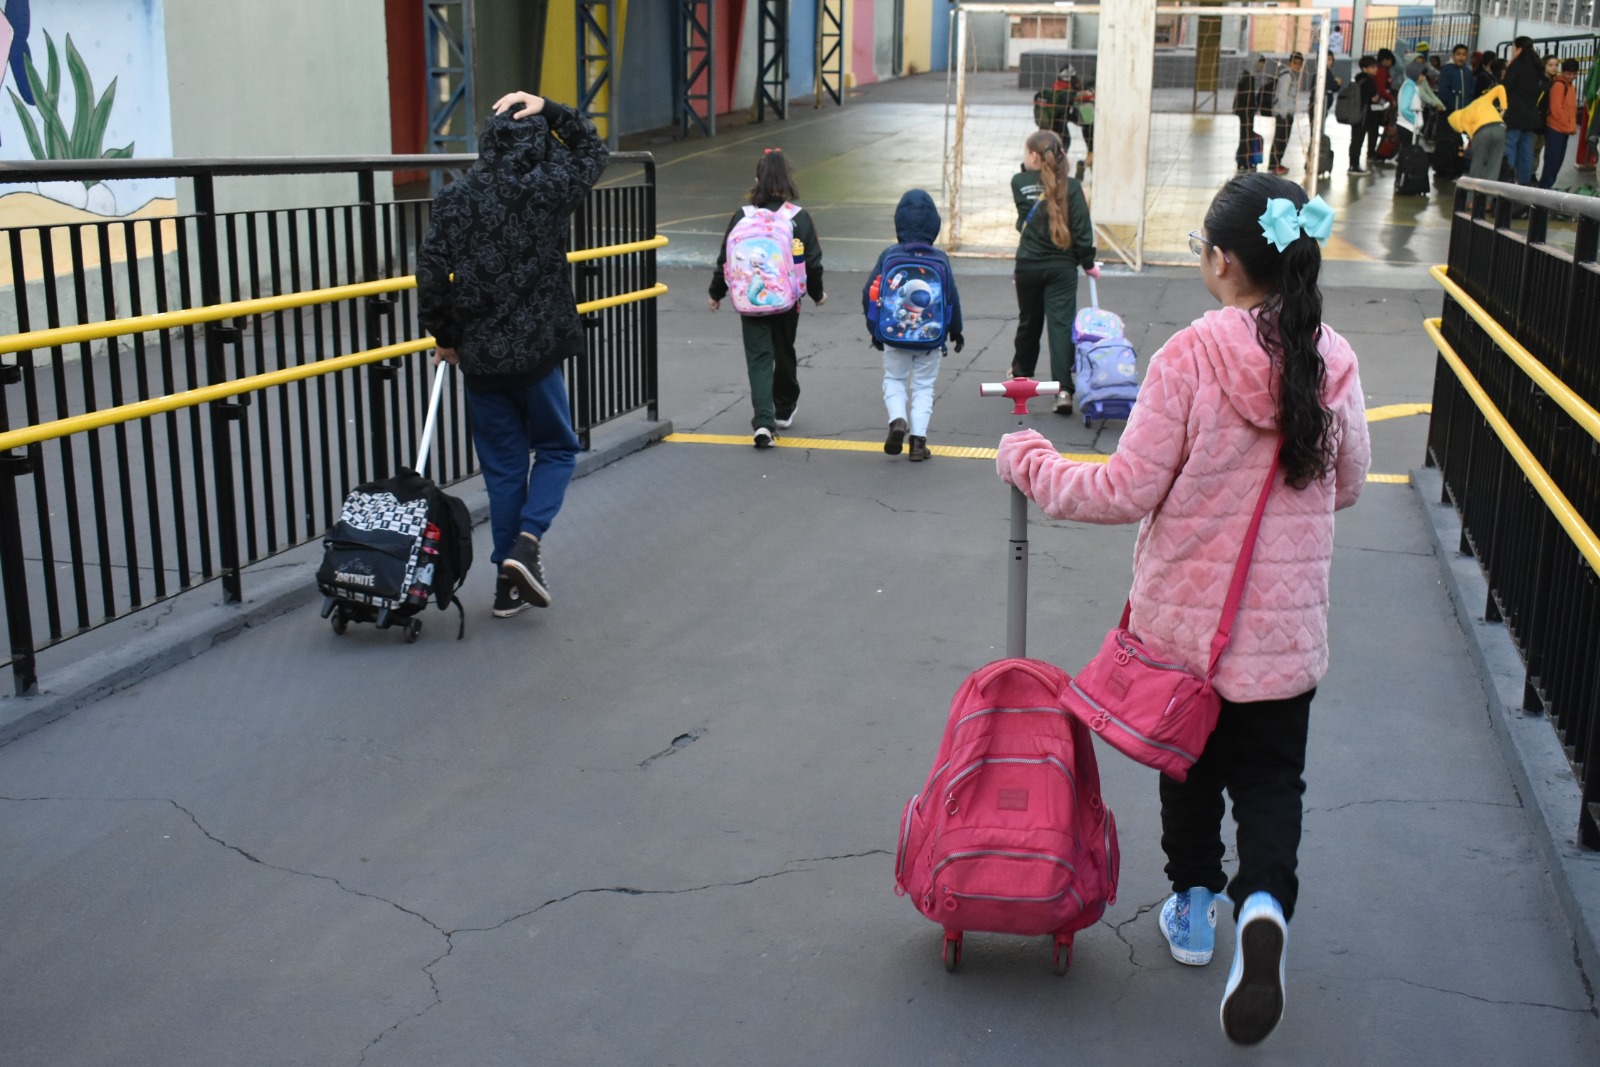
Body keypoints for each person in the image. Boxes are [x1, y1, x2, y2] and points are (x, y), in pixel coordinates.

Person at [996, 171, 1370, 1048]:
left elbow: (1124, 489)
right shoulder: (1333, 357)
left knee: (1188, 767)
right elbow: (1348, 483)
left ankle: (1194, 912)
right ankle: (1264, 910)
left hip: (1186, 633)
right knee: (1272, 784)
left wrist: (1031, 461)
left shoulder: (1192, 356)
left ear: (1224, 261)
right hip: (1284, 636)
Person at [417, 90, 607, 618]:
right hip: (538, 351)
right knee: (557, 449)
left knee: (502, 470)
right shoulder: (549, 186)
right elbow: (593, 149)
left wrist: (445, 338)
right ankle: (527, 542)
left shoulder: (455, 199)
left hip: (479, 356)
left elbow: (430, 275)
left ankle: (508, 588)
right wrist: (549, 108)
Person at [707, 148, 827, 449]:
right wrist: (817, 293)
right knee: (784, 351)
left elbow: (726, 259)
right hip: (788, 301)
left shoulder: (742, 216)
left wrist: (716, 292)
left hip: (750, 303)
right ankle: (784, 408)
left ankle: (763, 422)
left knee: (759, 358)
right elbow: (812, 262)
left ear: (757, 180)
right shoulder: (798, 217)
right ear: (788, 180)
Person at [861, 190, 965, 462]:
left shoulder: (889, 255)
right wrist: (956, 330)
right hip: (930, 338)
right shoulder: (940, 259)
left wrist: (875, 330)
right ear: (934, 225)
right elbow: (951, 297)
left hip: (894, 335)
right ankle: (918, 443)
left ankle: (897, 420)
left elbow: (869, 292)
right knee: (923, 387)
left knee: (894, 380)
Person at [1009, 128, 1098, 413]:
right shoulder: (1072, 187)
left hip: (1028, 266)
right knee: (1061, 326)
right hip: (1062, 267)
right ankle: (1063, 391)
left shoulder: (1019, 182)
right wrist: (1088, 263)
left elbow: (1023, 220)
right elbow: (1082, 231)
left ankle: (1021, 377)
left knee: (1029, 322)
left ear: (1034, 156)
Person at [1502, 37, 1547, 184]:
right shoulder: (1536, 66)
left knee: (1510, 147)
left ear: (1519, 49)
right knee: (1527, 150)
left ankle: (1508, 178)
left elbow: (1505, 88)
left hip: (1515, 115)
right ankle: (1524, 182)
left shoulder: (1515, 66)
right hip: (1531, 115)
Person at [1448, 74, 1507, 182]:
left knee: (1477, 164)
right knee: (1494, 164)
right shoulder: (1481, 100)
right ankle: (1490, 192)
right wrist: (1504, 108)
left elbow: (1471, 138)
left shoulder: (1462, 121)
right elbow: (1500, 88)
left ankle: (1472, 192)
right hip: (1500, 127)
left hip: (1482, 131)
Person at [1540, 58, 1581, 189]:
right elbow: (1556, 109)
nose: (1572, 76)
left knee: (1556, 161)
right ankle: (1545, 189)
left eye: (1574, 74)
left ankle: (1547, 188)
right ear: (1563, 72)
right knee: (1553, 162)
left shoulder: (1568, 87)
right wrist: (1569, 126)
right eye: (1569, 73)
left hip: (1562, 129)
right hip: (1556, 129)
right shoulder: (1559, 86)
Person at [1268, 53, 1305, 175]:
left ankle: (1278, 162)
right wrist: (1283, 114)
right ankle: (1273, 164)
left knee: (1284, 139)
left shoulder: (1292, 76)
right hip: (1283, 114)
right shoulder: (1287, 76)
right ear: (1290, 63)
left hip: (1288, 113)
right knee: (1279, 139)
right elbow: (1282, 96)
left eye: (1299, 64)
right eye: (1295, 63)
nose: (1297, 66)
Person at [1347, 55, 1379, 175]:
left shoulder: (1357, 79)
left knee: (1355, 140)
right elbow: (1374, 97)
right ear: (1365, 68)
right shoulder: (1368, 81)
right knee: (1358, 140)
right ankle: (1354, 166)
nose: (1375, 69)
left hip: (1355, 113)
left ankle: (1353, 164)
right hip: (1364, 115)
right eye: (1373, 67)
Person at [1233, 55, 1266, 172]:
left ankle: (1244, 160)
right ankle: (1244, 160)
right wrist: (1252, 107)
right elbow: (1245, 97)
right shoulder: (1248, 78)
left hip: (1245, 112)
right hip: (1246, 112)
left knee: (1246, 135)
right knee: (1246, 136)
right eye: (1260, 64)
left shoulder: (1248, 76)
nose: (1261, 67)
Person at [1437, 44, 1476, 115]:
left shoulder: (1468, 72)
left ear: (1467, 56)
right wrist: (1453, 105)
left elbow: (1471, 90)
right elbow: (1443, 91)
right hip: (1449, 111)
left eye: (1464, 54)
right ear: (1453, 55)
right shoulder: (1447, 69)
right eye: (1458, 54)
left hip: (1465, 110)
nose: (1461, 57)